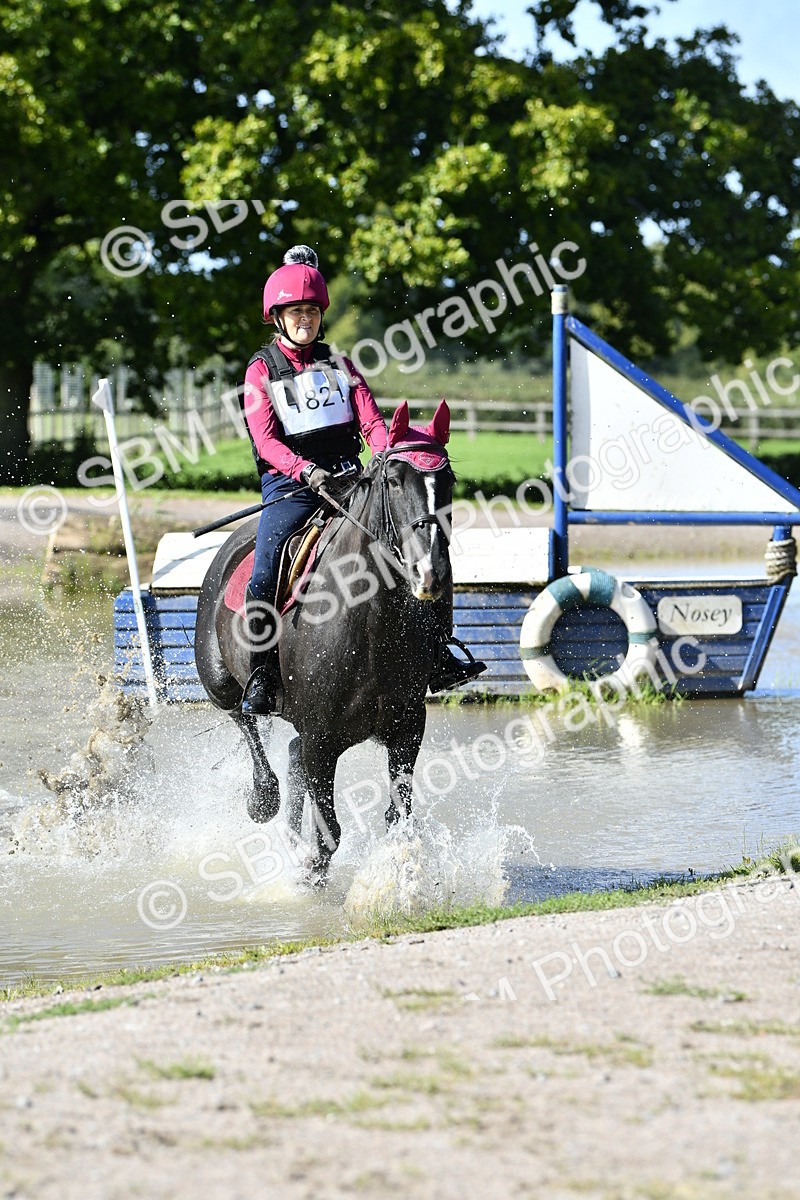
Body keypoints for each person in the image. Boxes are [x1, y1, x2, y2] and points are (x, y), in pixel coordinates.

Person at [239, 244, 486, 715]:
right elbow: (266, 442)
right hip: (291, 487)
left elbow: (371, 421)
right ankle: (262, 672)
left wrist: (388, 453)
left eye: (311, 311)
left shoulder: (341, 366)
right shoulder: (259, 372)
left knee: (424, 540)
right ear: (278, 318)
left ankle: (438, 652)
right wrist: (306, 471)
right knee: (267, 565)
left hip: (350, 480)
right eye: (295, 312)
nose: (305, 320)